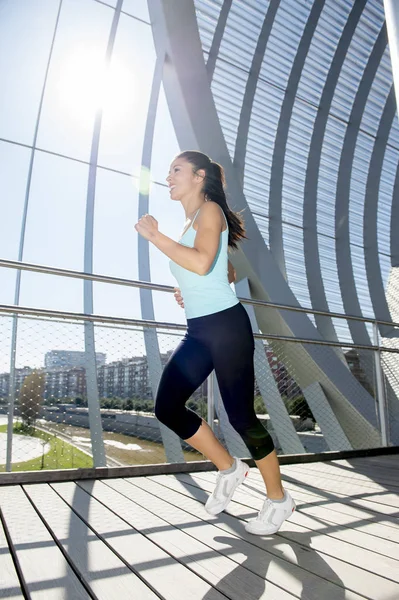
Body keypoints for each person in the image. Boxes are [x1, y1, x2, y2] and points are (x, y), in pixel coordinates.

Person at [135, 150, 295, 535]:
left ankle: (278, 499)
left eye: (176, 170)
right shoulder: (193, 220)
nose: (168, 176)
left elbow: (203, 262)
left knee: (240, 416)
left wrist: (156, 236)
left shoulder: (209, 211)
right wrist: (187, 289)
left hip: (226, 328)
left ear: (198, 176)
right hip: (199, 330)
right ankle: (229, 467)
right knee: (167, 407)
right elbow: (218, 267)